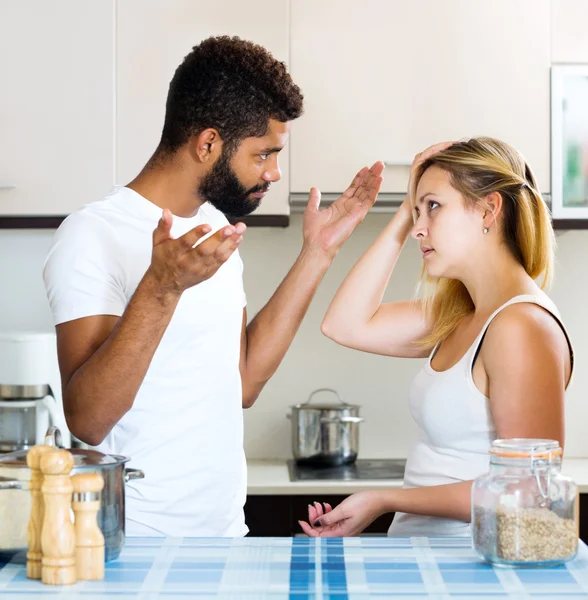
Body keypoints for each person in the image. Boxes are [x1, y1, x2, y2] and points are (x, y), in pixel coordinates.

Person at [43, 35, 384, 537]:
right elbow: (88, 420)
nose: (274, 172)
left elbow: (241, 382)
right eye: (263, 154)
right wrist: (161, 289)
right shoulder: (92, 234)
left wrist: (319, 252)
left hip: (225, 538)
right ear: (208, 144)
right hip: (134, 546)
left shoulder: (214, 228)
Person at [299, 137, 574, 538]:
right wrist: (406, 211)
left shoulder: (521, 326)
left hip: (470, 570)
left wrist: (384, 499)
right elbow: (343, 325)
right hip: (426, 563)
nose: (418, 228)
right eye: (418, 211)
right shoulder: (464, 315)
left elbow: (529, 490)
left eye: (434, 206)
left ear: (488, 209)